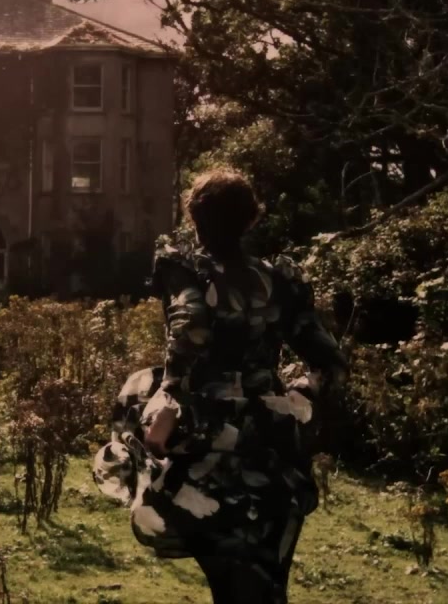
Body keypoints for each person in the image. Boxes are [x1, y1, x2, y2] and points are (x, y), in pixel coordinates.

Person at [92, 168, 347, 604]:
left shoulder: (187, 271)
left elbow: (191, 327)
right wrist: (296, 399)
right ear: (251, 218)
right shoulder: (279, 281)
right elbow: (331, 364)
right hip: (272, 451)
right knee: (265, 587)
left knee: (235, 585)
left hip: (209, 450)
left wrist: (170, 398)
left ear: (194, 217)